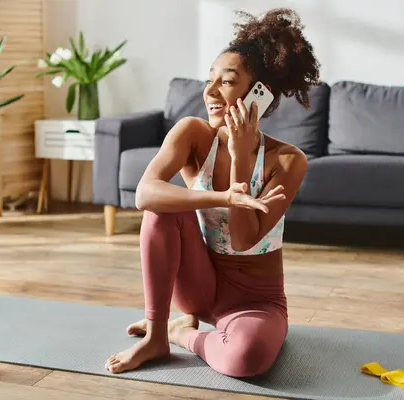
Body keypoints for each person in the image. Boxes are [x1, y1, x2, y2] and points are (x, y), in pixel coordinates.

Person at [105, 8, 320, 377]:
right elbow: (145, 194)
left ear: (259, 94)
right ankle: (156, 334)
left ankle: (182, 334)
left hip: (256, 302)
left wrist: (239, 159)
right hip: (199, 288)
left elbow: (241, 239)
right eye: (209, 79)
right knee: (160, 208)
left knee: (245, 360)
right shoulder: (192, 134)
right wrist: (225, 197)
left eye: (227, 81)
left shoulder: (288, 161)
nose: (209, 91)